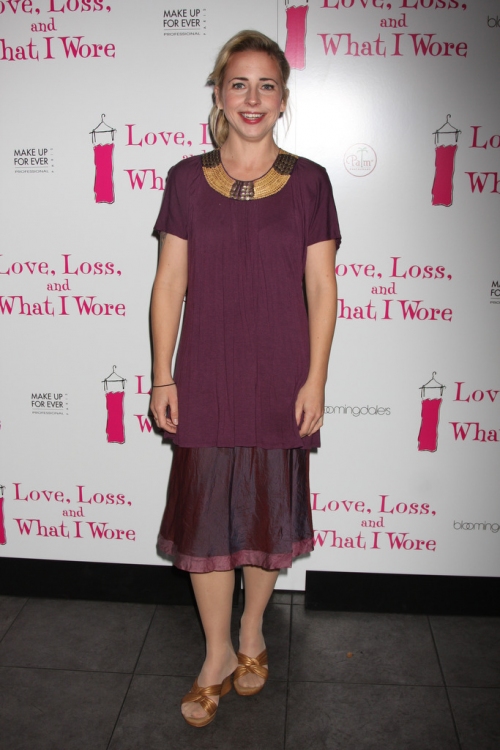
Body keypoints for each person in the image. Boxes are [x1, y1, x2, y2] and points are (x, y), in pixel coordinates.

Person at [150, 29, 341, 727]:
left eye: (266, 85)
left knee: (266, 514)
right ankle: (216, 655)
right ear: (220, 95)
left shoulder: (311, 182)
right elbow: (170, 283)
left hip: (280, 376)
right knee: (205, 522)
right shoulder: (184, 180)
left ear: (283, 99)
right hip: (204, 373)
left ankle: (254, 633)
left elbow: (321, 288)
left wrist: (316, 379)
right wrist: (161, 377)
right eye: (239, 84)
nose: (252, 98)